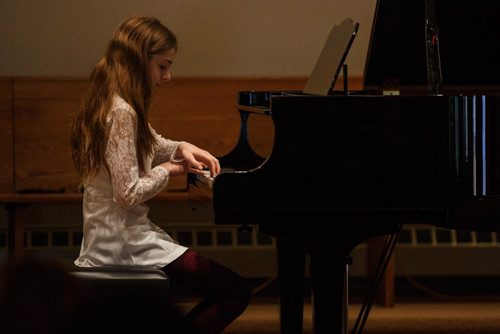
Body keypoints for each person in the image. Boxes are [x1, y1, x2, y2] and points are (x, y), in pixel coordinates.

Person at [70, 16, 251, 333]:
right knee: (234, 292)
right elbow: (127, 195)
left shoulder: (111, 101)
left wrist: (182, 147)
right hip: (122, 242)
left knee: (223, 288)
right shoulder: (122, 111)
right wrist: (168, 170)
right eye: (163, 66)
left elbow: (149, 142)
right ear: (139, 61)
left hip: (116, 234)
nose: (168, 76)